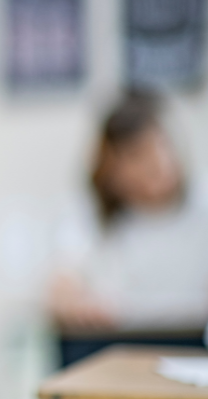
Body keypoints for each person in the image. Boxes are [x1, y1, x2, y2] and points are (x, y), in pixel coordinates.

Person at [47, 91, 208, 359]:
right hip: (114, 347)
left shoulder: (201, 207)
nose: (155, 163)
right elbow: (61, 286)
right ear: (112, 168)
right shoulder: (91, 216)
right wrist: (74, 303)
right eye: (136, 155)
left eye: (160, 147)